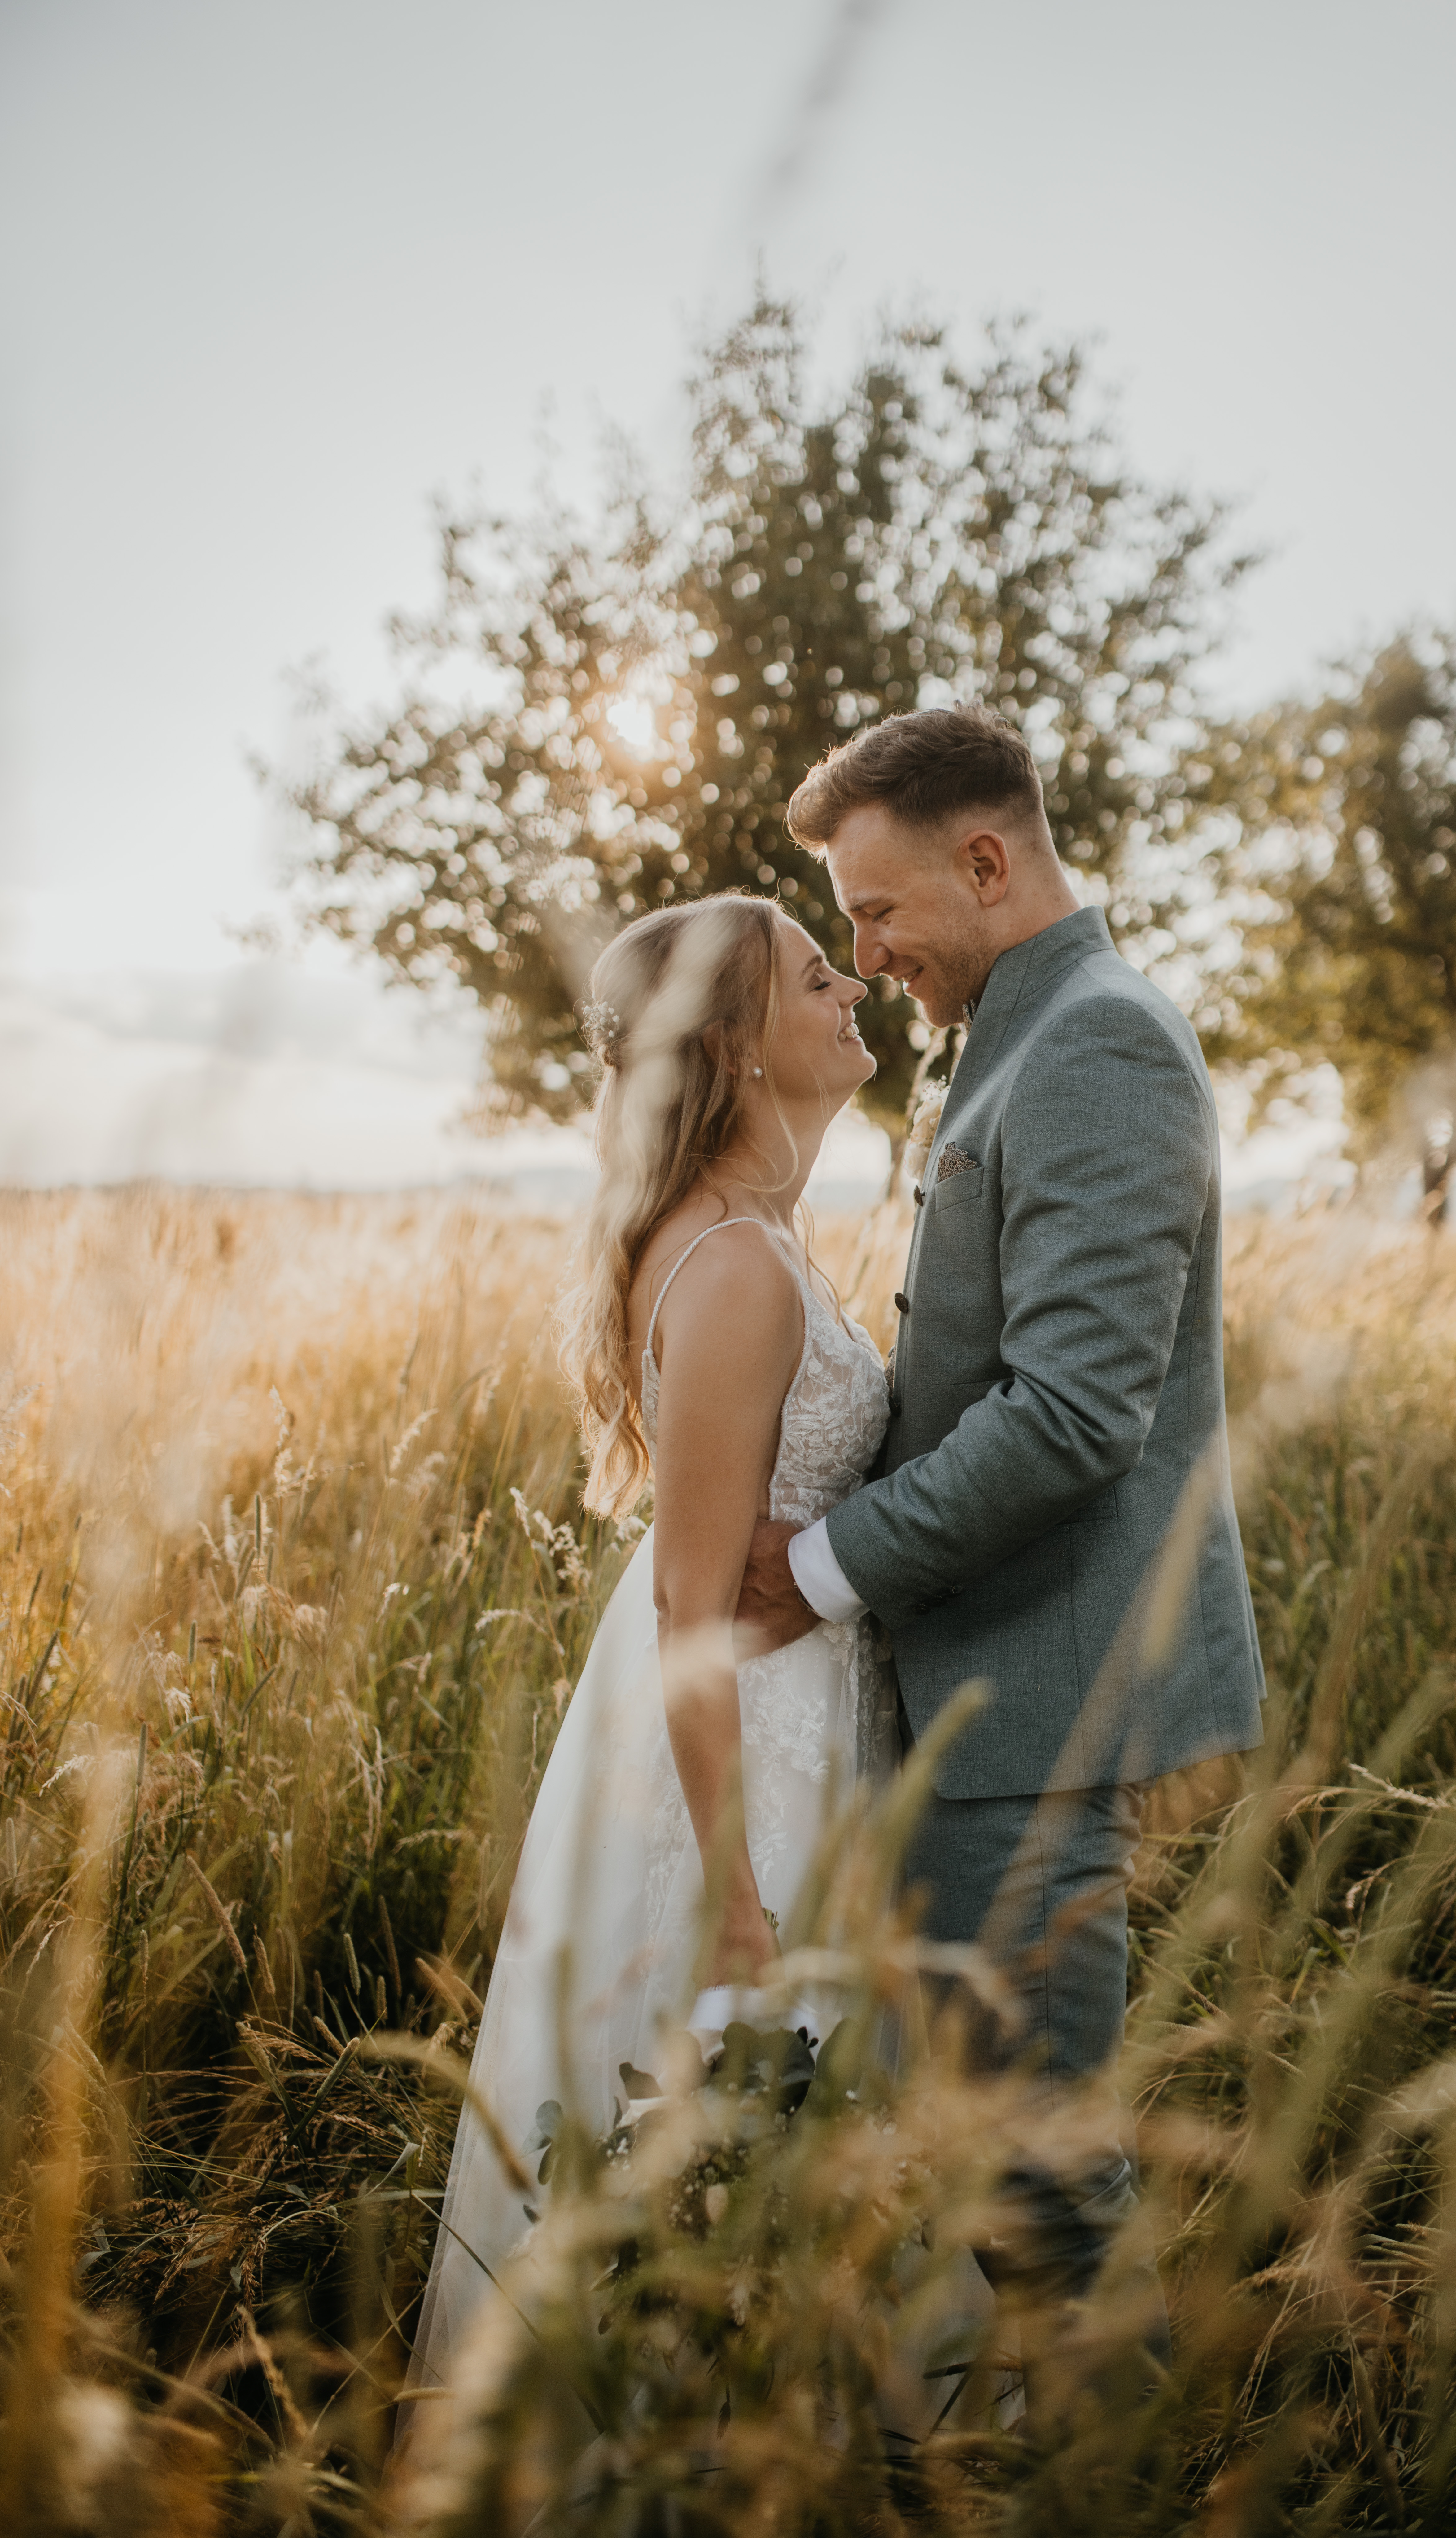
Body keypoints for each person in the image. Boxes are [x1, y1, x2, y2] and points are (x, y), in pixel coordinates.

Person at [737, 705, 1266, 2323]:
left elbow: (1073, 1414)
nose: (864, 949)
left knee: (1042, 2197)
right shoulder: (1017, 1035)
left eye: (877, 909)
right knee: (1004, 2167)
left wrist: (814, 1569)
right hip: (989, 1694)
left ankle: (1137, 2481)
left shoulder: (1093, 1040)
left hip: (1039, 1707)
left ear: (984, 862)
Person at [407, 894, 895, 2403]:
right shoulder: (735, 1265)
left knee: (743, 2168)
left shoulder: (747, 1234)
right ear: (740, 1045)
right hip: (741, 1753)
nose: (854, 981)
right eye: (819, 975)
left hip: (786, 1707)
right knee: (730, 2130)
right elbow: (694, 1604)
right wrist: (737, 1893)